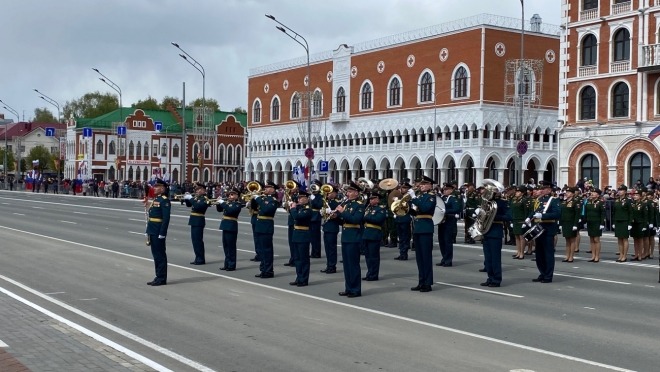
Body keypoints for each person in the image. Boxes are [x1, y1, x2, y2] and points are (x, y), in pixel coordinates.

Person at [526, 180, 561, 283]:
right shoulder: (540, 199)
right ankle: (542, 273)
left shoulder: (554, 200)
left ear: (549, 190)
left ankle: (548, 275)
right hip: (538, 229)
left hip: (548, 229)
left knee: (548, 254)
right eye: (541, 189)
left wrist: (543, 216)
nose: (541, 190)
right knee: (539, 254)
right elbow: (535, 211)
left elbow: (557, 214)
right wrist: (529, 217)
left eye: (543, 189)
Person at [336, 181, 365, 298]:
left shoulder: (359, 205)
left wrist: (343, 212)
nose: (348, 193)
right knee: (347, 265)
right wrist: (336, 216)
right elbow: (343, 222)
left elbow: (355, 220)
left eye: (350, 191)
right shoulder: (347, 204)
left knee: (353, 265)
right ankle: (348, 288)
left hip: (354, 238)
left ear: (356, 193)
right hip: (346, 237)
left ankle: (356, 289)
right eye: (347, 191)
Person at [409, 176, 437, 292]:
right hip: (418, 228)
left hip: (426, 228)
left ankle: (428, 283)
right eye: (421, 184)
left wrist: (414, 198)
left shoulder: (431, 197)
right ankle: (421, 281)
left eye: (424, 184)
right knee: (419, 258)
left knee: (426, 257)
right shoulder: (420, 197)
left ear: (430, 185)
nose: (421, 186)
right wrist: (406, 208)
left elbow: (425, 208)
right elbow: (417, 212)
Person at [480, 186, 511, 287]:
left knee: (495, 258)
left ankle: (496, 279)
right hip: (486, 231)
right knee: (488, 258)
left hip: (495, 232)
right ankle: (490, 277)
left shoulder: (502, 202)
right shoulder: (486, 202)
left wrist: (493, 216)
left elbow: (509, 216)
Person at [144, 179, 171, 286]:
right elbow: (152, 216)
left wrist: (162, 232)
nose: (154, 188)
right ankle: (158, 276)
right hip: (153, 230)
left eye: (156, 187)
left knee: (160, 255)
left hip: (158, 231)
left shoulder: (164, 200)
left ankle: (161, 278)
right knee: (156, 255)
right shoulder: (157, 199)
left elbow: (166, 218)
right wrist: (148, 231)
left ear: (162, 189)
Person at [252, 181, 279, 278]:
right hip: (260, 226)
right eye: (265, 187)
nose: (265, 189)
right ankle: (263, 269)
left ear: (273, 190)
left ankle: (268, 271)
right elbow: (254, 207)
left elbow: (267, 210)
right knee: (262, 250)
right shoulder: (264, 199)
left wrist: (259, 199)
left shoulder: (273, 200)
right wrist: (253, 198)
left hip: (266, 227)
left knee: (267, 250)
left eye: (268, 187)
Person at [289, 190, 313, 286]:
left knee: (304, 259)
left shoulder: (307, 209)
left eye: (301, 198)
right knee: (297, 259)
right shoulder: (299, 208)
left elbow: (297, 217)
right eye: (299, 198)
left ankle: (304, 279)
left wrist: (293, 209)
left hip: (303, 235)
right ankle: (299, 277)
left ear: (306, 199)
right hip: (296, 235)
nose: (299, 200)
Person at [216, 188, 243, 271]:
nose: (230, 196)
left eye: (232, 194)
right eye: (230, 194)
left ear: (237, 196)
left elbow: (230, 211)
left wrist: (223, 203)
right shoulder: (228, 203)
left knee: (231, 247)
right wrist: (218, 203)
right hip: (225, 226)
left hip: (231, 226)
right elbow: (219, 210)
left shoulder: (237, 204)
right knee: (226, 246)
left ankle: (232, 265)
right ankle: (226, 264)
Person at [362, 193, 387, 281]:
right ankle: (369, 273)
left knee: (374, 256)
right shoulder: (368, 208)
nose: (371, 200)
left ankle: (374, 275)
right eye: (370, 199)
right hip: (366, 234)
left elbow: (378, 219)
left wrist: (366, 216)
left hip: (374, 234)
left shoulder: (381, 209)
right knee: (368, 256)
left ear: (378, 200)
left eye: (373, 199)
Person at [183, 184, 209, 265]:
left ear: (204, 190)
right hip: (193, 221)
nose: (197, 191)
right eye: (197, 190)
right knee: (194, 241)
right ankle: (197, 257)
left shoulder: (205, 199)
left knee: (198, 241)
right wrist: (186, 199)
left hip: (199, 221)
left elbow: (197, 207)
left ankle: (201, 259)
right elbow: (189, 205)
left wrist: (190, 198)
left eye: (199, 189)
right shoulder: (197, 198)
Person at [437, 183, 460, 267]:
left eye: (447, 190)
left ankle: (448, 260)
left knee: (447, 242)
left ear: (451, 190)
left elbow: (457, 209)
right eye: (444, 190)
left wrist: (446, 211)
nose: (445, 191)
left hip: (449, 221)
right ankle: (444, 258)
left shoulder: (453, 198)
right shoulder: (442, 198)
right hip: (441, 222)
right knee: (441, 242)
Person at [321, 186, 341, 274]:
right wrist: (322, 212)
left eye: (329, 193)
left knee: (332, 249)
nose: (327, 194)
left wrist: (332, 213)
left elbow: (339, 215)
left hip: (333, 227)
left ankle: (332, 266)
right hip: (326, 227)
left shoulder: (337, 203)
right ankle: (328, 265)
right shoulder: (326, 202)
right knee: (327, 248)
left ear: (334, 193)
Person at [559, 187, 581, 263]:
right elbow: (561, 213)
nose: (566, 193)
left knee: (572, 240)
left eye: (568, 192)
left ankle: (571, 256)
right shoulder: (564, 202)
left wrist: (575, 224)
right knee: (567, 240)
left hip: (571, 223)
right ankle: (567, 256)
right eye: (566, 192)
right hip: (565, 222)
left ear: (572, 194)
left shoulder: (575, 202)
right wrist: (560, 223)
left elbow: (577, 214)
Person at [584, 188, 605, 262]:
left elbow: (603, 214)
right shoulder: (588, 202)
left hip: (597, 222)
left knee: (596, 239)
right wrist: (585, 221)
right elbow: (586, 212)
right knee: (591, 239)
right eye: (592, 192)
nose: (592, 193)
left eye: (594, 192)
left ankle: (597, 256)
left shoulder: (600, 203)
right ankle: (593, 255)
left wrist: (602, 223)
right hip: (590, 222)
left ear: (598, 195)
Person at [612, 185, 632, 262]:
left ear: (625, 192)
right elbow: (614, 212)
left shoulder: (628, 201)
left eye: (621, 190)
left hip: (625, 221)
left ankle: (625, 255)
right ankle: (621, 254)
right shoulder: (616, 200)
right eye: (619, 190)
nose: (619, 191)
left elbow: (631, 212)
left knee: (624, 239)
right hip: (617, 221)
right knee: (619, 239)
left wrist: (630, 223)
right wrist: (614, 221)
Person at [394, 182, 414, 260]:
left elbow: (408, 208)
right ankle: (401, 253)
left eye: (405, 188)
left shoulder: (409, 198)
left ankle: (404, 254)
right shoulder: (401, 197)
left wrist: (398, 202)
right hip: (399, 218)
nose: (402, 189)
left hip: (405, 219)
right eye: (402, 188)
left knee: (405, 237)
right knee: (401, 237)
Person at [511, 186, 532, 260]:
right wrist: (511, 220)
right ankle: (518, 252)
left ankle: (522, 253)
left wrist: (526, 221)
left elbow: (526, 211)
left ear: (522, 193)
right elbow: (512, 210)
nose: (516, 193)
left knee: (521, 237)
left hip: (521, 220)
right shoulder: (514, 200)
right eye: (516, 191)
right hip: (515, 219)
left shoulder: (524, 200)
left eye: (518, 192)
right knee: (516, 236)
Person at [283, 181, 300, 267]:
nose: (291, 188)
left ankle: (296, 259)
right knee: (291, 242)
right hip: (291, 220)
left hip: (296, 221)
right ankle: (292, 259)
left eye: (293, 187)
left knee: (295, 242)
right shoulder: (290, 196)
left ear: (297, 187)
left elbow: (300, 207)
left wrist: (294, 204)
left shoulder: (299, 196)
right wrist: (285, 204)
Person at [630, 190, 648, 261]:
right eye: (634, 195)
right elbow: (631, 214)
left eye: (637, 195)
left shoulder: (643, 204)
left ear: (640, 196)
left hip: (640, 223)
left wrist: (644, 226)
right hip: (634, 224)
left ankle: (640, 254)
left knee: (640, 240)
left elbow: (645, 216)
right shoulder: (632, 204)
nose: (635, 196)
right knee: (635, 239)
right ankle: (636, 254)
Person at [309, 180, 324, 258]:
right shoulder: (311, 195)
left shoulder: (320, 196)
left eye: (316, 185)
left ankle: (317, 252)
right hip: (310, 216)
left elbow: (319, 205)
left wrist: (313, 199)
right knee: (311, 237)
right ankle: (313, 252)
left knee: (316, 236)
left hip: (316, 216)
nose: (315, 187)